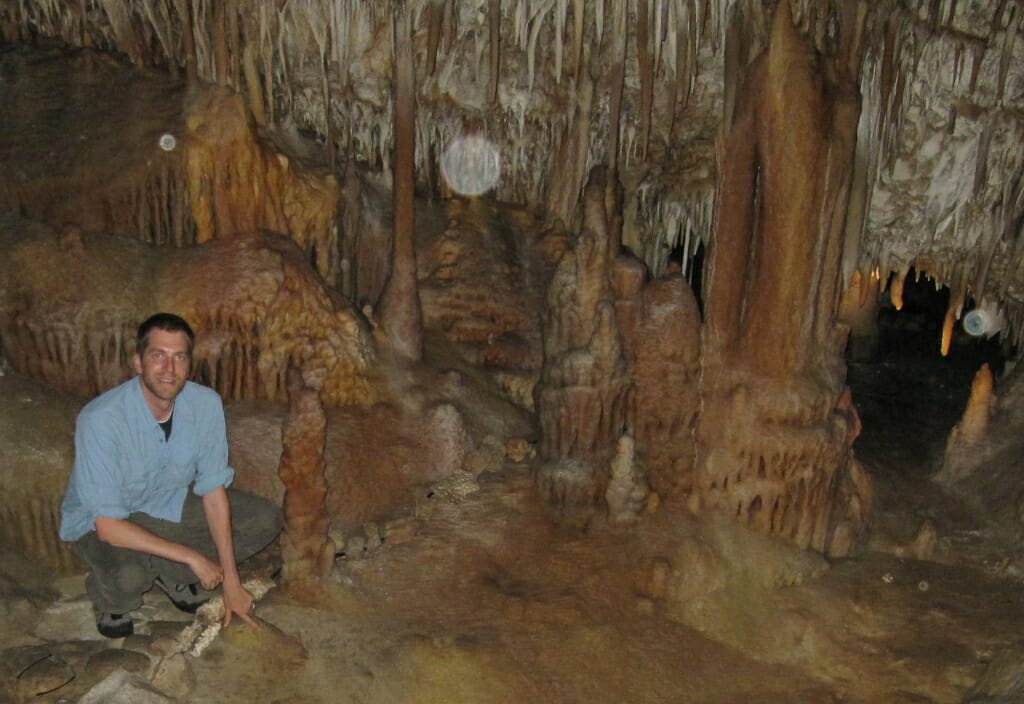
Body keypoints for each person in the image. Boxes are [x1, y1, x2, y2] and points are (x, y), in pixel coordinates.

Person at [59, 313, 282, 638]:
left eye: (179, 357)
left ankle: (170, 572)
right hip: (102, 521)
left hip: (166, 502)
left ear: (189, 363)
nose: (169, 369)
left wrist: (231, 582)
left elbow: (212, 491)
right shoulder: (101, 420)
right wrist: (192, 557)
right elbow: (107, 526)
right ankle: (109, 597)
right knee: (130, 579)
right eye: (158, 356)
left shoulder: (205, 404)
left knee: (264, 519)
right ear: (138, 362)